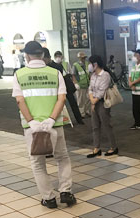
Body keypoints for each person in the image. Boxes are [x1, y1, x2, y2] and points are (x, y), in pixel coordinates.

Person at [12, 41, 76, 209]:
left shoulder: (19, 74)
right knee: (62, 158)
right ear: (42, 55)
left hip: (31, 128)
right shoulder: (55, 73)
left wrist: (32, 121)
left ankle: (49, 198)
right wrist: (51, 119)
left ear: (26, 55)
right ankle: (65, 192)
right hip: (55, 125)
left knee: (38, 163)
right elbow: (62, 98)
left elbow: (20, 100)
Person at [87, 55, 118, 158]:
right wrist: (92, 101)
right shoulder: (93, 75)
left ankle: (113, 147)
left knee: (106, 125)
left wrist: (93, 101)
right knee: (95, 126)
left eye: (90, 64)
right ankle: (96, 148)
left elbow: (102, 91)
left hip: (103, 103)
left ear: (95, 64)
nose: (89, 66)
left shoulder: (105, 75)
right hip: (94, 103)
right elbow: (90, 88)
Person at [46, 50, 84, 125]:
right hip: (59, 86)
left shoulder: (61, 65)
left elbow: (70, 74)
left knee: (72, 103)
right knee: (65, 103)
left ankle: (78, 119)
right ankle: (60, 119)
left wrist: (75, 82)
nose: (58, 58)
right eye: (57, 56)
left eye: (59, 56)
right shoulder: (51, 66)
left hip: (64, 86)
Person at [72, 52, 90, 118]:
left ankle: (87, 111)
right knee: (80, 100)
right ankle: (81, 113)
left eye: (84, 58)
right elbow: (73, 75)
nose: (83, 59)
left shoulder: (87, 64)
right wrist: (76, 83)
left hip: (88, 84)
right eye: (82, 58)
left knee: (88, 99)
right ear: (79, 58)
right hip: (80, 85)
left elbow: (89, 74)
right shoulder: (75, 65)